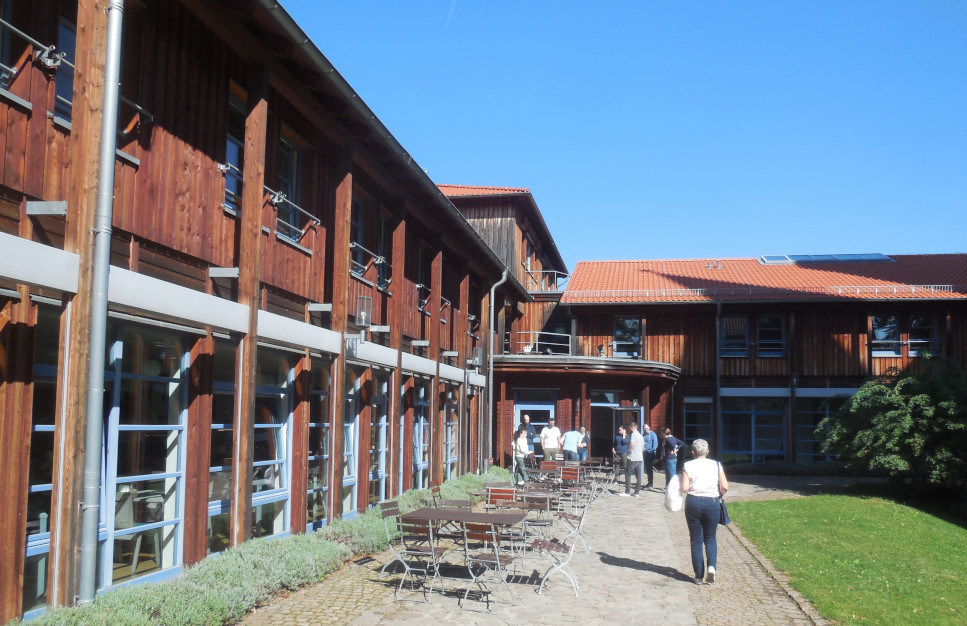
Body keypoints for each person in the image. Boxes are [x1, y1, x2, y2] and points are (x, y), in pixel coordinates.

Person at [680, 438, 729, 585]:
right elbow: (725, 486)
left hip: (693, 502)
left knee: (696, 540)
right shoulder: (716, 465)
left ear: (693, 452)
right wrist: (718, 495)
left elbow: (684, 488)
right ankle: (712, 568)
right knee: (711, 538)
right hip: (712, 502)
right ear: (707, 452)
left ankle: (699, 576)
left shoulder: (687, 465)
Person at [621, 422, 644, 497]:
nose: (629, 429)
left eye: (629, 427)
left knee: (627, 473)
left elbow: (632, 444)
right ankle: (637, 492)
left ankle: (627, 491)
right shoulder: (641, 436)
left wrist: (628, 453)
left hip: (633, 457)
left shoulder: (633, 434)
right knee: (638, 475)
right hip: (640, 457)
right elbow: (643, 447)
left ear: (632, 427)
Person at [643, 423, 658, 488]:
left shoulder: (652, 434)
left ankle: (650, 483)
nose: (645, 429)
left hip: (650, 453)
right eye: (644, 428)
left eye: (646, 428)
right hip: (645, 452)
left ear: (649, 427)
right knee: (647, 468)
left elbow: (655, 443)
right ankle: (649, 482)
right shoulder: (643, 435)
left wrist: (652, 450)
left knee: (649, 467)